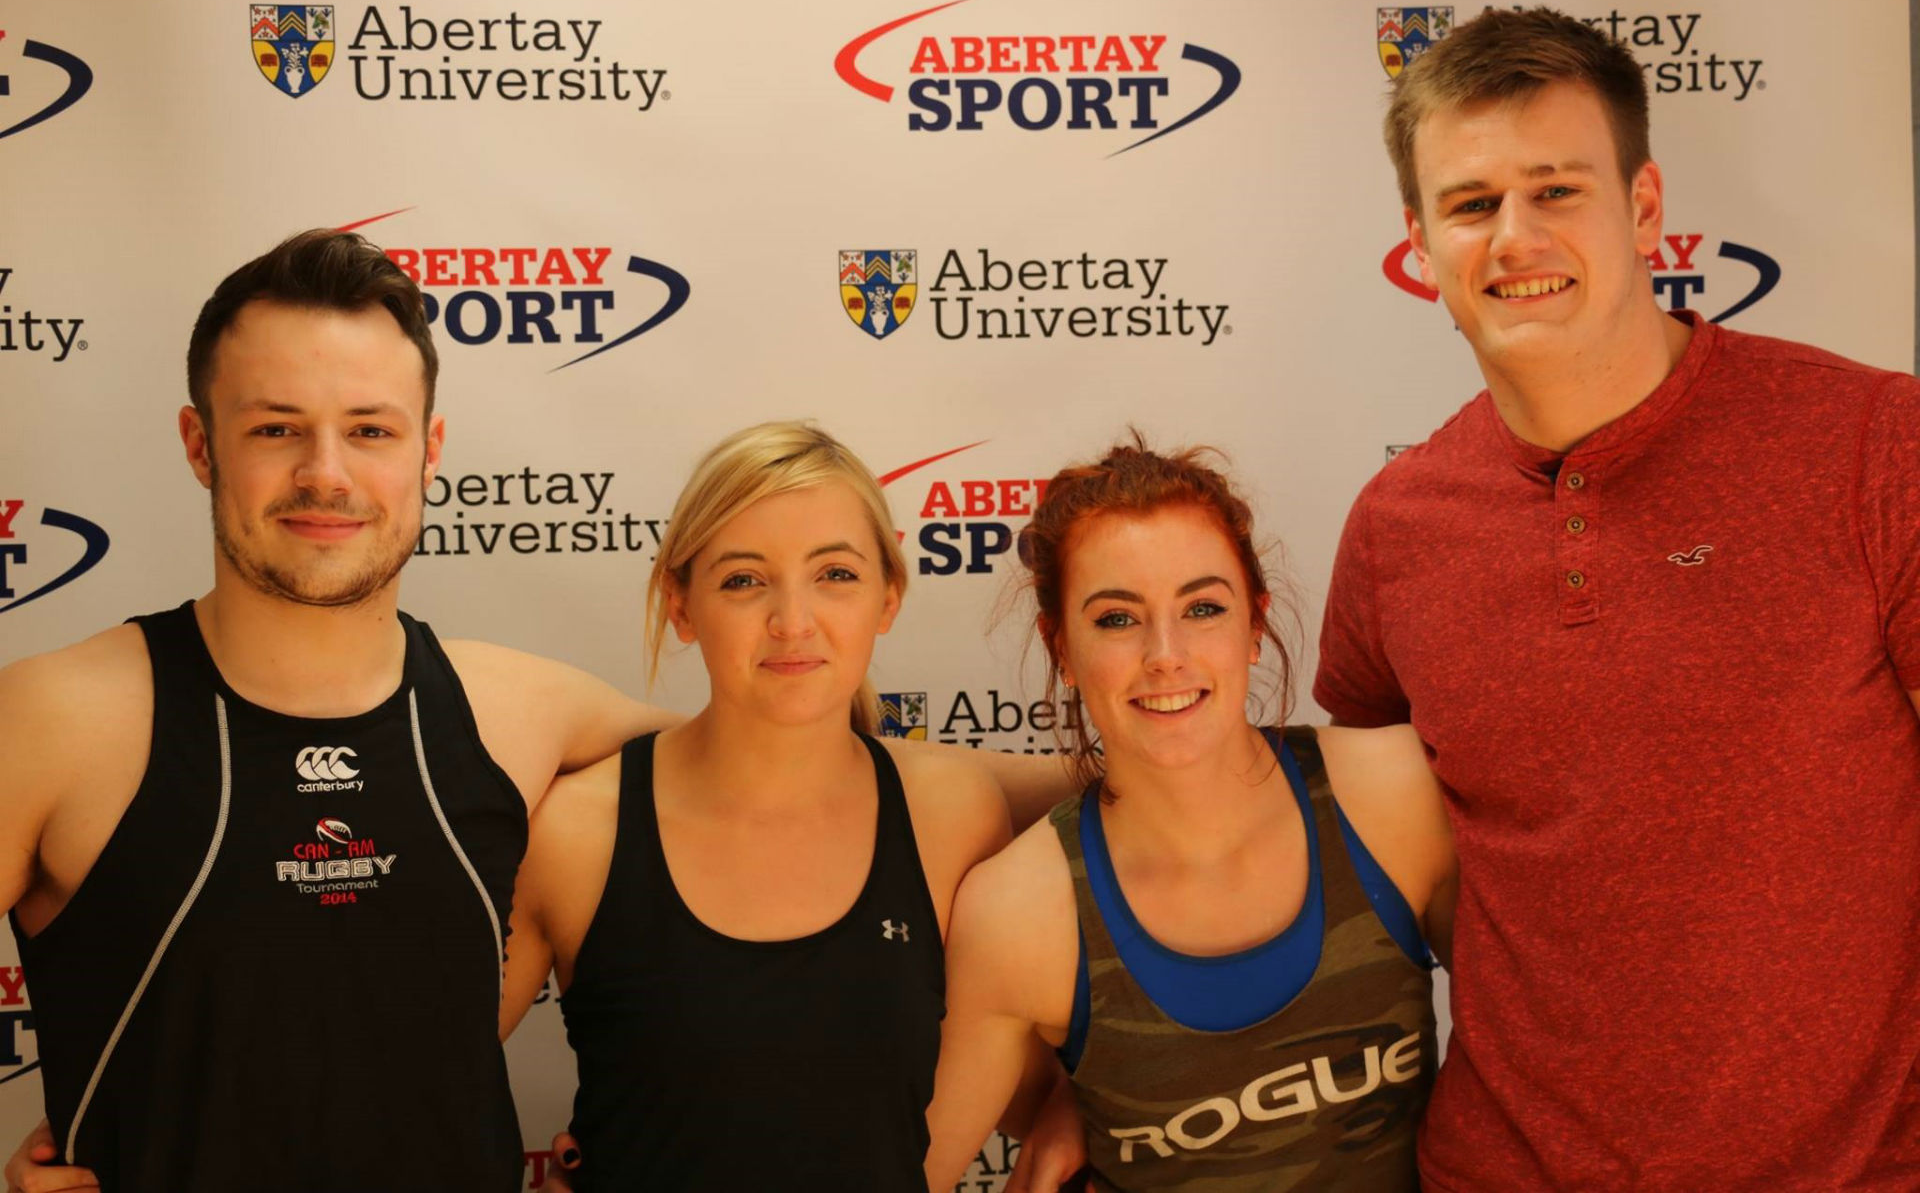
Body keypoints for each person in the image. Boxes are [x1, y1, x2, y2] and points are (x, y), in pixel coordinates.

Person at [1312, 7, 1920, 1188]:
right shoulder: (1394, 530)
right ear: (1421, 243)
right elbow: (1331, 843)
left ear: (1644, 208)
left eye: (1556, 190)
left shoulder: (1872, 443)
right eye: (1472, 203)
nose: (1514, 237)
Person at [0, 230, 679, 1192]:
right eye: (277, 428)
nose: (327, 474)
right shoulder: (51, 719)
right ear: (201, 446)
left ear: (428, 451)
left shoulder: (526, 713)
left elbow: (798, 798)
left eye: (371, 430)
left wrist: (648, 1141)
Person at [922, 438, 1455, 1191]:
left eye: (1203, 608)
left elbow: (1542, 1061)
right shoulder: (1019, 915)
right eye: (1116, 619)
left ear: (1256, 623)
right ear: (1061, 648)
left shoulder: (1392, 795)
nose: (1165, 655)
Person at [498, 421, 1010, 1190]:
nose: (793, 622)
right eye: (743, 579)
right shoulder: (578, 832)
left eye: (835, 574)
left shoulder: (954, 816)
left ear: (888, 597)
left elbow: (1023, 1050)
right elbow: (416, 1089)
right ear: (681, 604)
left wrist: (1071, 1113)